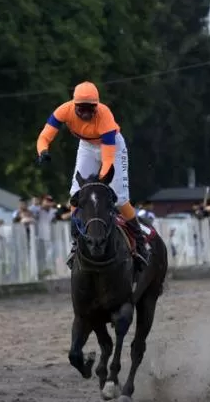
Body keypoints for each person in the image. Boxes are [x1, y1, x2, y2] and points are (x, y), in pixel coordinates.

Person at [34, 81, 149, 271]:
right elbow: (45, 136)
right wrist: (42, 151)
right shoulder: (64, 110)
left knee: (119, 198)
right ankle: (76, 242)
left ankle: (140, 243)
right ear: (74, 105)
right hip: (86, 146)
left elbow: (108, 157)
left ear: (97, 105)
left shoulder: (105, 116)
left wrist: (102, 182)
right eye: (82, 109)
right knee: (76, 194)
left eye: (91, 108)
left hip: (111, 147)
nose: (87, 113)